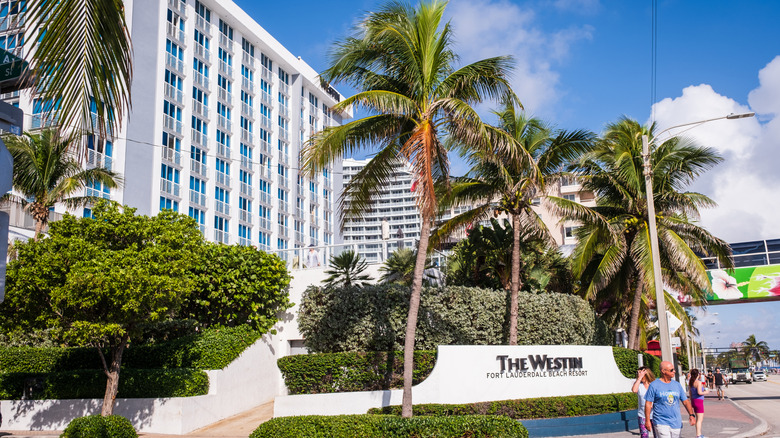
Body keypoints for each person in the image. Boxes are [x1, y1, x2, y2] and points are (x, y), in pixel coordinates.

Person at [645, 361, 697, 438]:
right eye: (671, 370)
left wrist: (691, 415)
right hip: (660, 421)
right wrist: (647, 420)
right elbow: (648, 403)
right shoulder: (654, 385)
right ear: (663, 371)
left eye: (674, 369)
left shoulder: (677, 385)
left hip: (676, 422)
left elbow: (685, 401)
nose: (674, 371)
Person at [632, 366, 656, 438]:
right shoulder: (638, 384)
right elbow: (634, 390)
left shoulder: (654, 384)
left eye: (641, 373)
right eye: (638, 373)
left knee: (658, 435)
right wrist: (639, 378)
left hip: (655, 414)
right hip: (643, 415)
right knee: (644, 435)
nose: (639, 375)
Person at [689, 368, 709, 438]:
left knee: (697, 419)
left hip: (694, 401)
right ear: (698, 375)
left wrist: (691, 402)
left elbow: (690, 393)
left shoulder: (691, 382)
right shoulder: (698, 382)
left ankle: (699, 434)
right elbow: (699, 392)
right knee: (700, 420)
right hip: (699, 401)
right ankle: (699, 435)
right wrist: (706, 392)